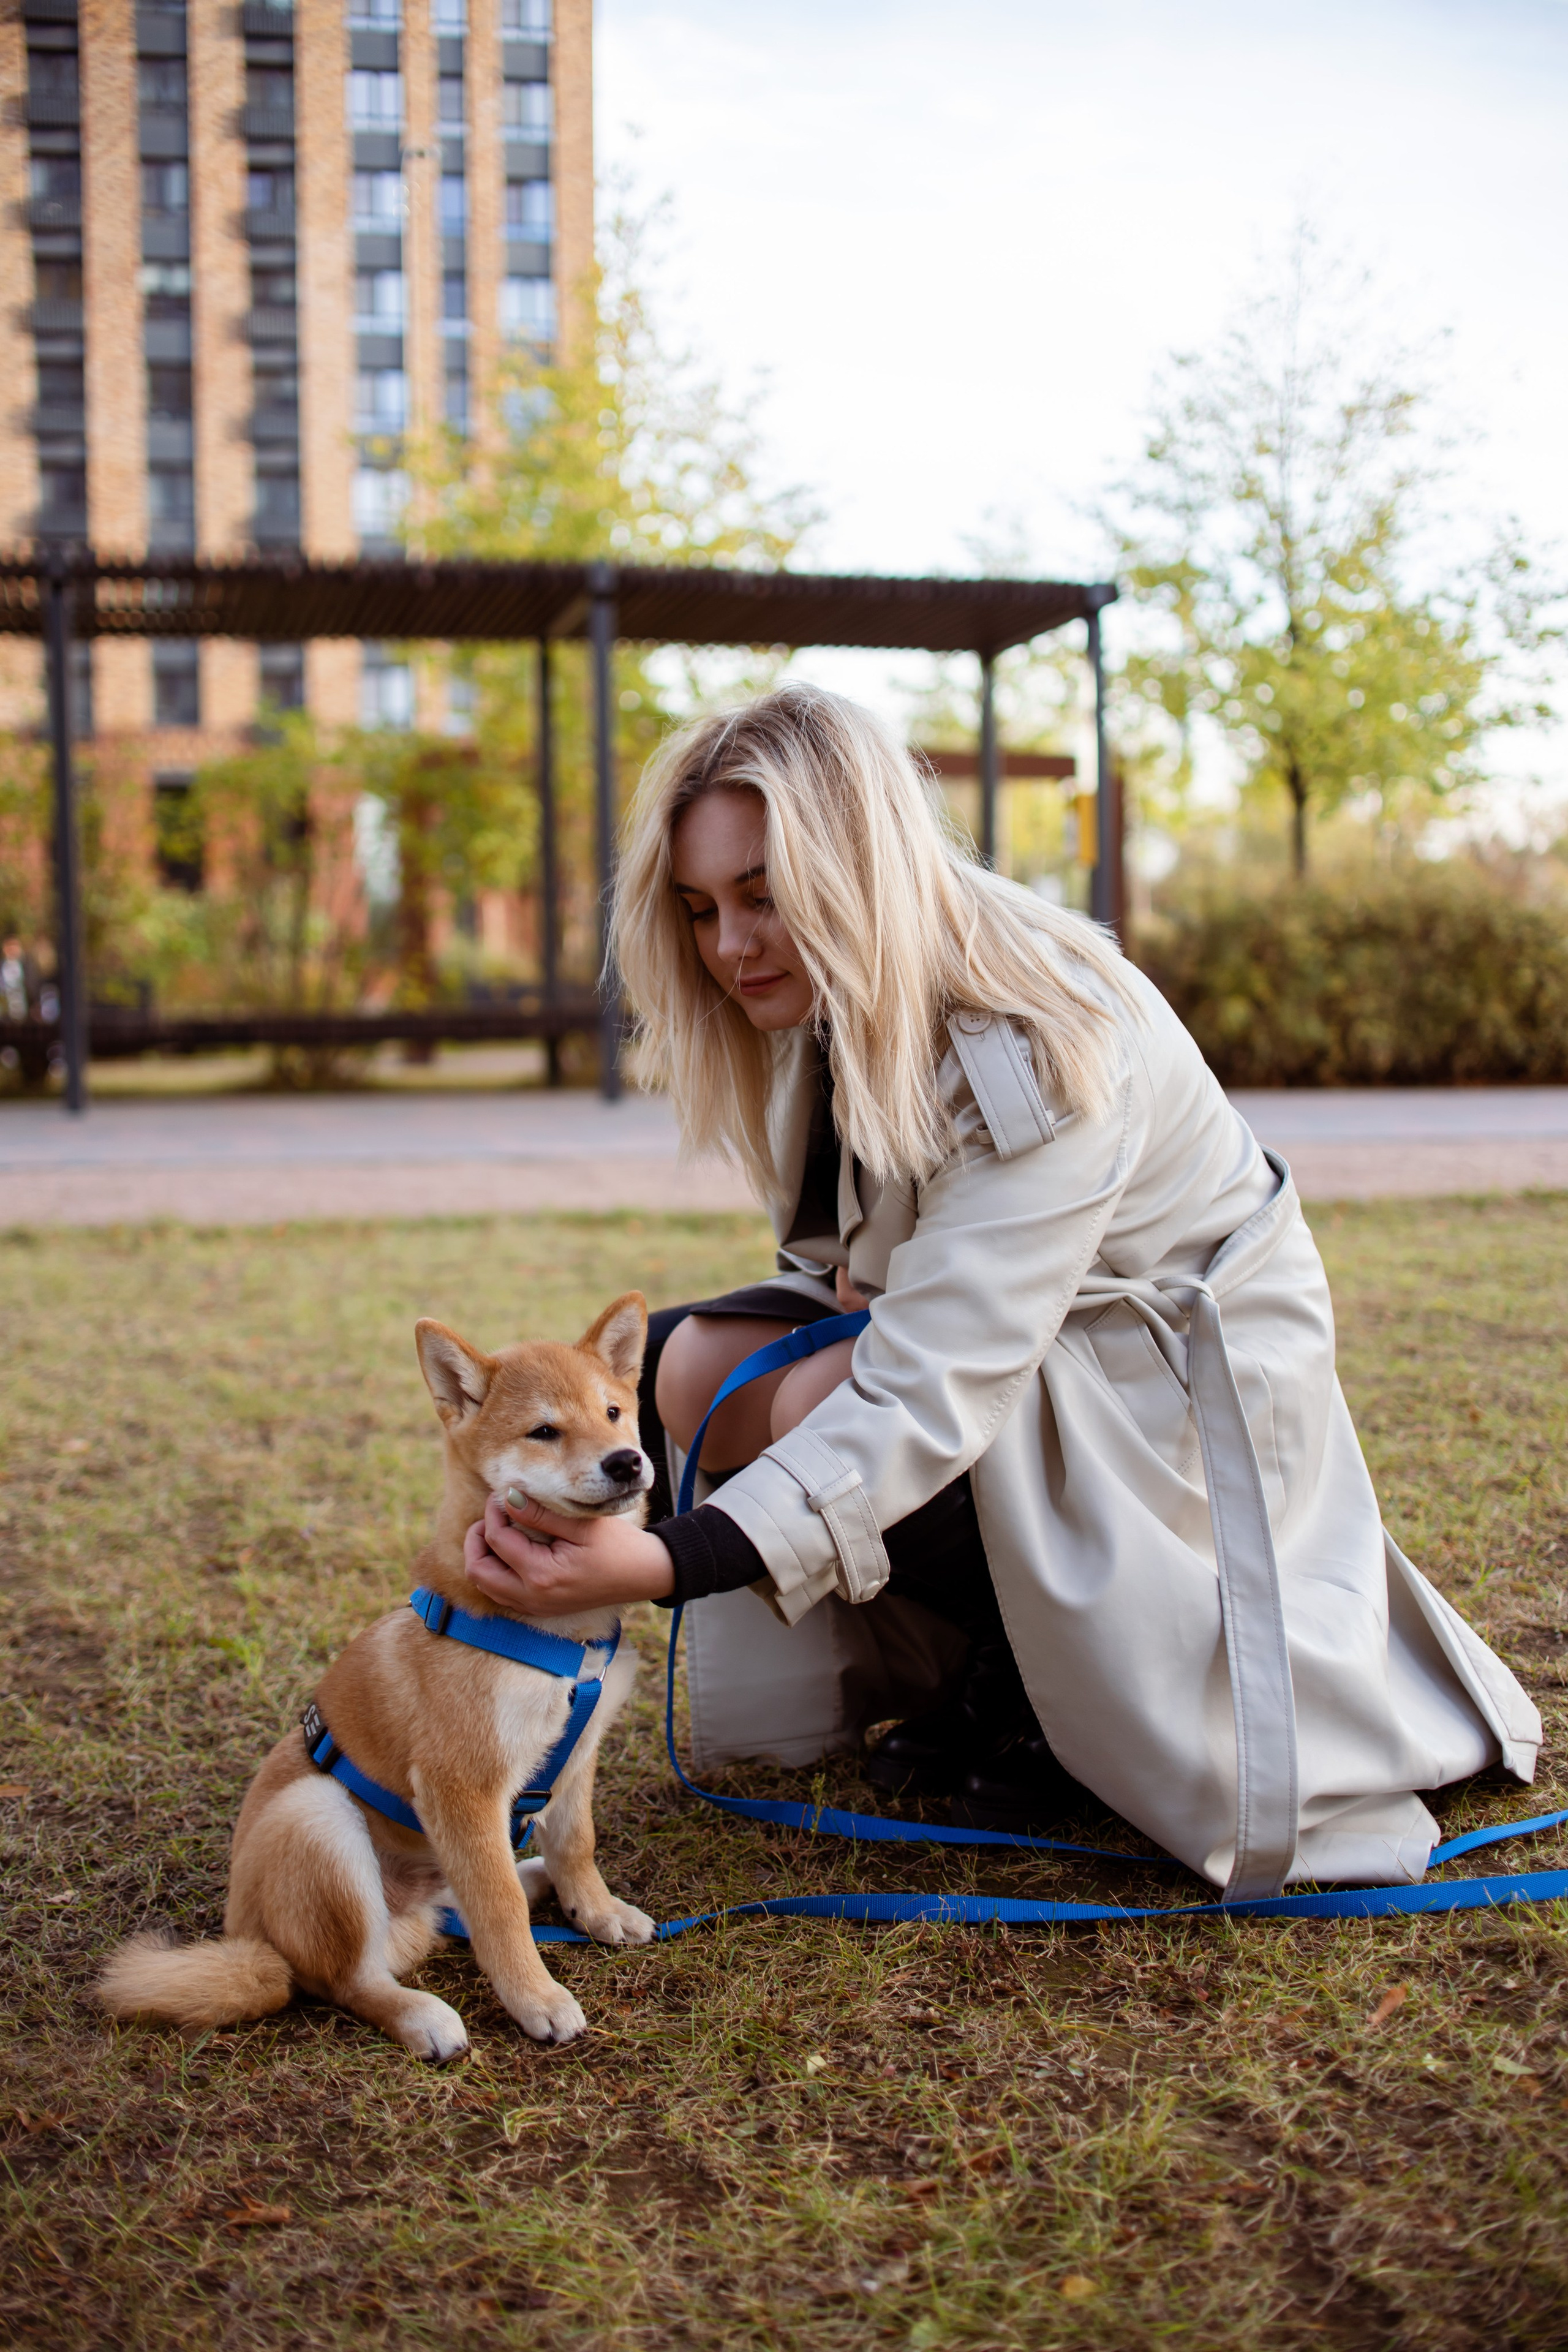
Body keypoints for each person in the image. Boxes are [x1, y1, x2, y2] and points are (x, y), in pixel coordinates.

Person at [464, 684, 1539, 1897]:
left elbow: (926, 1383)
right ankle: (995, 1659)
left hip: (1178, 1394)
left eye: (762, 893)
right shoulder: (836, 995)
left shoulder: (1025, 1030)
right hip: (1038, 1353)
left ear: (853, 858)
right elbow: (849, 1277)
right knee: (691, 1363)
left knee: (822, 1394)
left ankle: (1050, 1694)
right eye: (701, 908)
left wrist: (663, 1562)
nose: (729, 946)